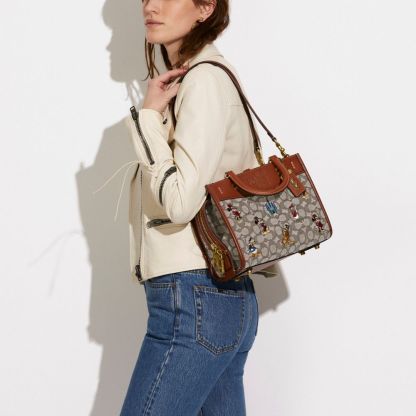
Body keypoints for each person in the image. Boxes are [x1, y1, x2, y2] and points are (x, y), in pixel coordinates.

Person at [119, 0, 262, 414]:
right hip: (221, 295)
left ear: (205, 8)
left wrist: (148, 119)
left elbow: (180, 203)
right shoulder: (204, 77)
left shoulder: (204, 80)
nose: (151, 6)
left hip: (193, 300)